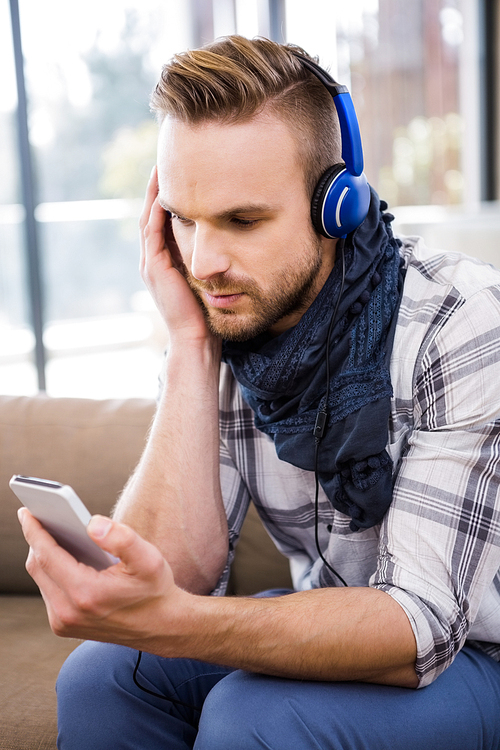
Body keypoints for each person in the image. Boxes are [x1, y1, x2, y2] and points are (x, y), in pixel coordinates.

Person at [18, 35, 500, 750]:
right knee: (101, 677)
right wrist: (189, 345)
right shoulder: (222, 314)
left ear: (335, 204)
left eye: (242, 220)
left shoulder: (461, 323)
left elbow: (419, 626)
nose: (205, 262)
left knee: (256, 718)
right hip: (335, 609)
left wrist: (178, 622)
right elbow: (171, 574)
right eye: (184, 218)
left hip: (474, 649)